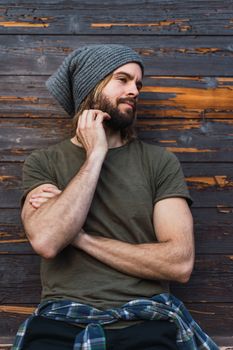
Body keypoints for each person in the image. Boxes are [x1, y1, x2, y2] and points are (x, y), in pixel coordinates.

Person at [12, 44, 219, 350]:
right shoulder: (44, 162)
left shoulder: (158, 162)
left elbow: (180, 263)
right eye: (123, 80)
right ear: (90, 86)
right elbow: (46, 241)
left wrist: (81, 238)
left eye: (138, 83)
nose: (135, 90)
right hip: (62, 318)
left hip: (145, 317)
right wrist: (96, 155)